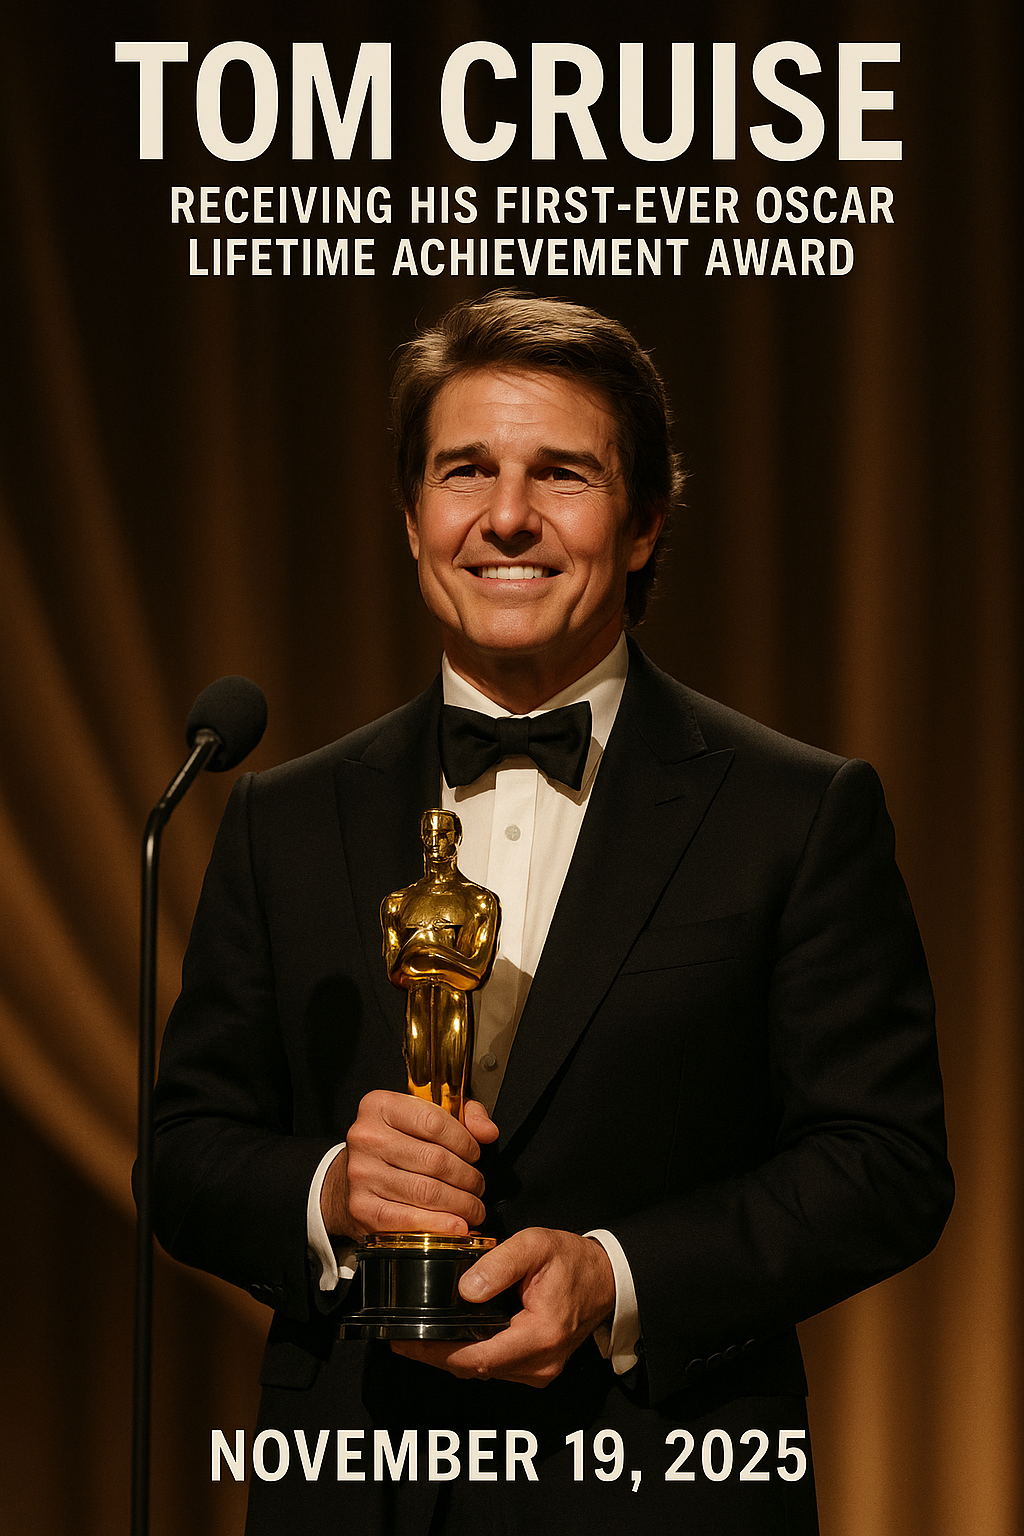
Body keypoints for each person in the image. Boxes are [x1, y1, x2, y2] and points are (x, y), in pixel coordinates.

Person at [152, 291, 953, 1535]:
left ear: (643, 523)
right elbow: (185, 1155)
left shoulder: (798, 812)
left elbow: (884, 1164)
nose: (507, 516)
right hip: (357, 1489)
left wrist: (616, 1277)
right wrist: (330, 1191)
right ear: (411, 518)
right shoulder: (279, 816)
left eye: (561, 474)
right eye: (464, 470)